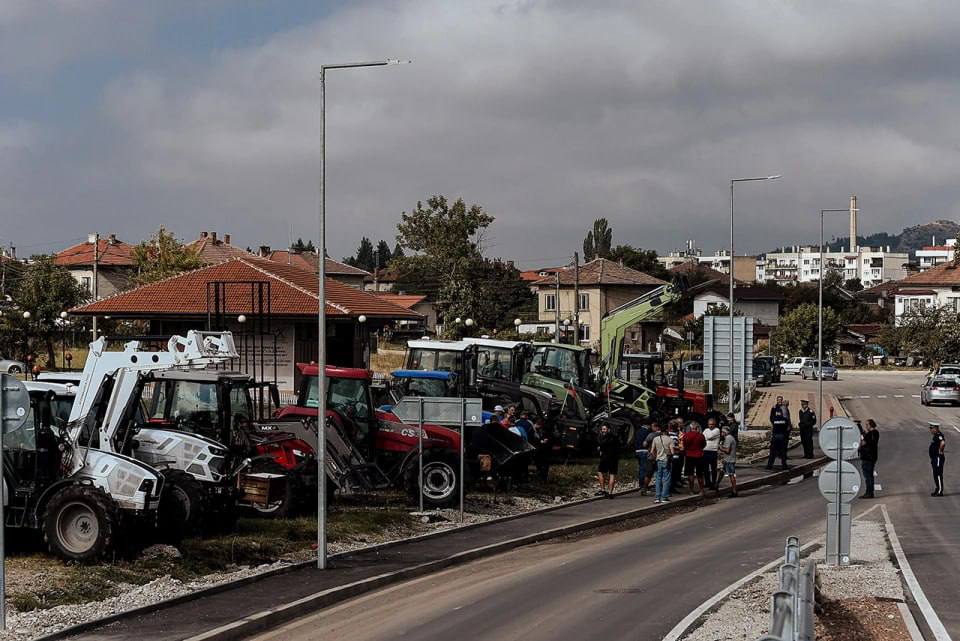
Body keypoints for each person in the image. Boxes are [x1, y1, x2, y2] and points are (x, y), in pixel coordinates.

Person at [650, 422, 674, 504]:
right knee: (666, 479)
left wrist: (655, 457)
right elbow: (672, 452)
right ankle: (664, 497)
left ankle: (657, 497)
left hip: (658, 460)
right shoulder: (670, 439)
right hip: (666, 461)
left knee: (658, 479)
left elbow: (652, 451)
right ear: (667, 430)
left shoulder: (656, 439)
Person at [683, 422, 707, 497]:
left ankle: (691, 490)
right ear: (697, 428)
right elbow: (704, 444)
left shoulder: (686, 435)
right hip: (699, 455)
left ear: (690, 428)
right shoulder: (701, 436)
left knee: (690, 474)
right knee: (700, 474)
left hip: (689, 455)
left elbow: (684, 445)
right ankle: (701, 490)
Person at [596, 424, 620, 498]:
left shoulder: (602, 437)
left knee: (600, 472)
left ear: (608, 430)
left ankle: (603, 489)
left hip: (605, 457)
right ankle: (610, 493)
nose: (603, 431)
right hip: (614, 458)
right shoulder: (615, 437)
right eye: (602, 429)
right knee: (612, 474)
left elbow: (600, 444)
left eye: (604, 429)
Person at [858, 419, 879, 498]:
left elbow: (863, 443)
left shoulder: (870, 434)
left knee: (867, 476)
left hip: (867, 457)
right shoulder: (875, 433)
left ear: (870, 425)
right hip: (872, 457)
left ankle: (869, 493)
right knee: (869, 475)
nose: (866, 426)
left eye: (867, 424)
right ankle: (870, 492)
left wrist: (861, 442)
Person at [528, 417, 551, 482]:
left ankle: (544, 477)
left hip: (544, 449)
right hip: (536, 449)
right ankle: (540, 476)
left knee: (545, 464)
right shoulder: (532, 430)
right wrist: (539, 442)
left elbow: (548, 436)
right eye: (538, 424)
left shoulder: (544, 429)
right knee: (539, 464)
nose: (539, 425)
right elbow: (530, 440)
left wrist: (546, 439)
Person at [719, 424, 738, 497]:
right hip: (727, 459)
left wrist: (720, 448)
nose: (721, 433)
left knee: (731, 475)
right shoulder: (730, 438)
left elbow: (727, 450)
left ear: (725, 432)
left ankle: (734, 491)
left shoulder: (728, 438)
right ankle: (716, 485)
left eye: (722, 432)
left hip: (729, 460)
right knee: (722, 471)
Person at [634, 420, 652, 493]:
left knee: (641, 468)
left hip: (637, 451)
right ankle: (643, 486)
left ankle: (641, 485)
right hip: (644, 451)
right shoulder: (647, 432)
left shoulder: (638, 431)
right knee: (644, 469)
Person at [703, 418, 721, 489]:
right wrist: (706, 437)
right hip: (705, 450)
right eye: (709, 424)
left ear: (715, 424)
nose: (710, 426)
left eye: (712, 424)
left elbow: (709, 436)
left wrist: (706, 437)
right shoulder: (706, 430)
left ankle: (713, 483)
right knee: (705, 468)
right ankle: (707, 482)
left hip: (713, 451)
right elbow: (703, 436)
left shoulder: (717, 430)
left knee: (713, 468)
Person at [929, 422, 946, 497]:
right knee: (935, 474)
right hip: (935, 458)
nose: (930, 430)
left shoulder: (939, 435)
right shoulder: (935, 436)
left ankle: (940, 491)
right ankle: (938, 488)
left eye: (931, 428)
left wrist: (940, 451)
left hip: (938, 458)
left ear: (935, 428)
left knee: (938, 474)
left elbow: (942, 443)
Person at [669, 419, 685, 493]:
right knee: (673, 472)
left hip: (672, 455)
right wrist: (679, 448)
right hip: (675, 455)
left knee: (674, 471)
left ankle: (673, 484)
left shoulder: (668, 434)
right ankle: (671, 487)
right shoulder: (674, 435)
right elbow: (674, 446)